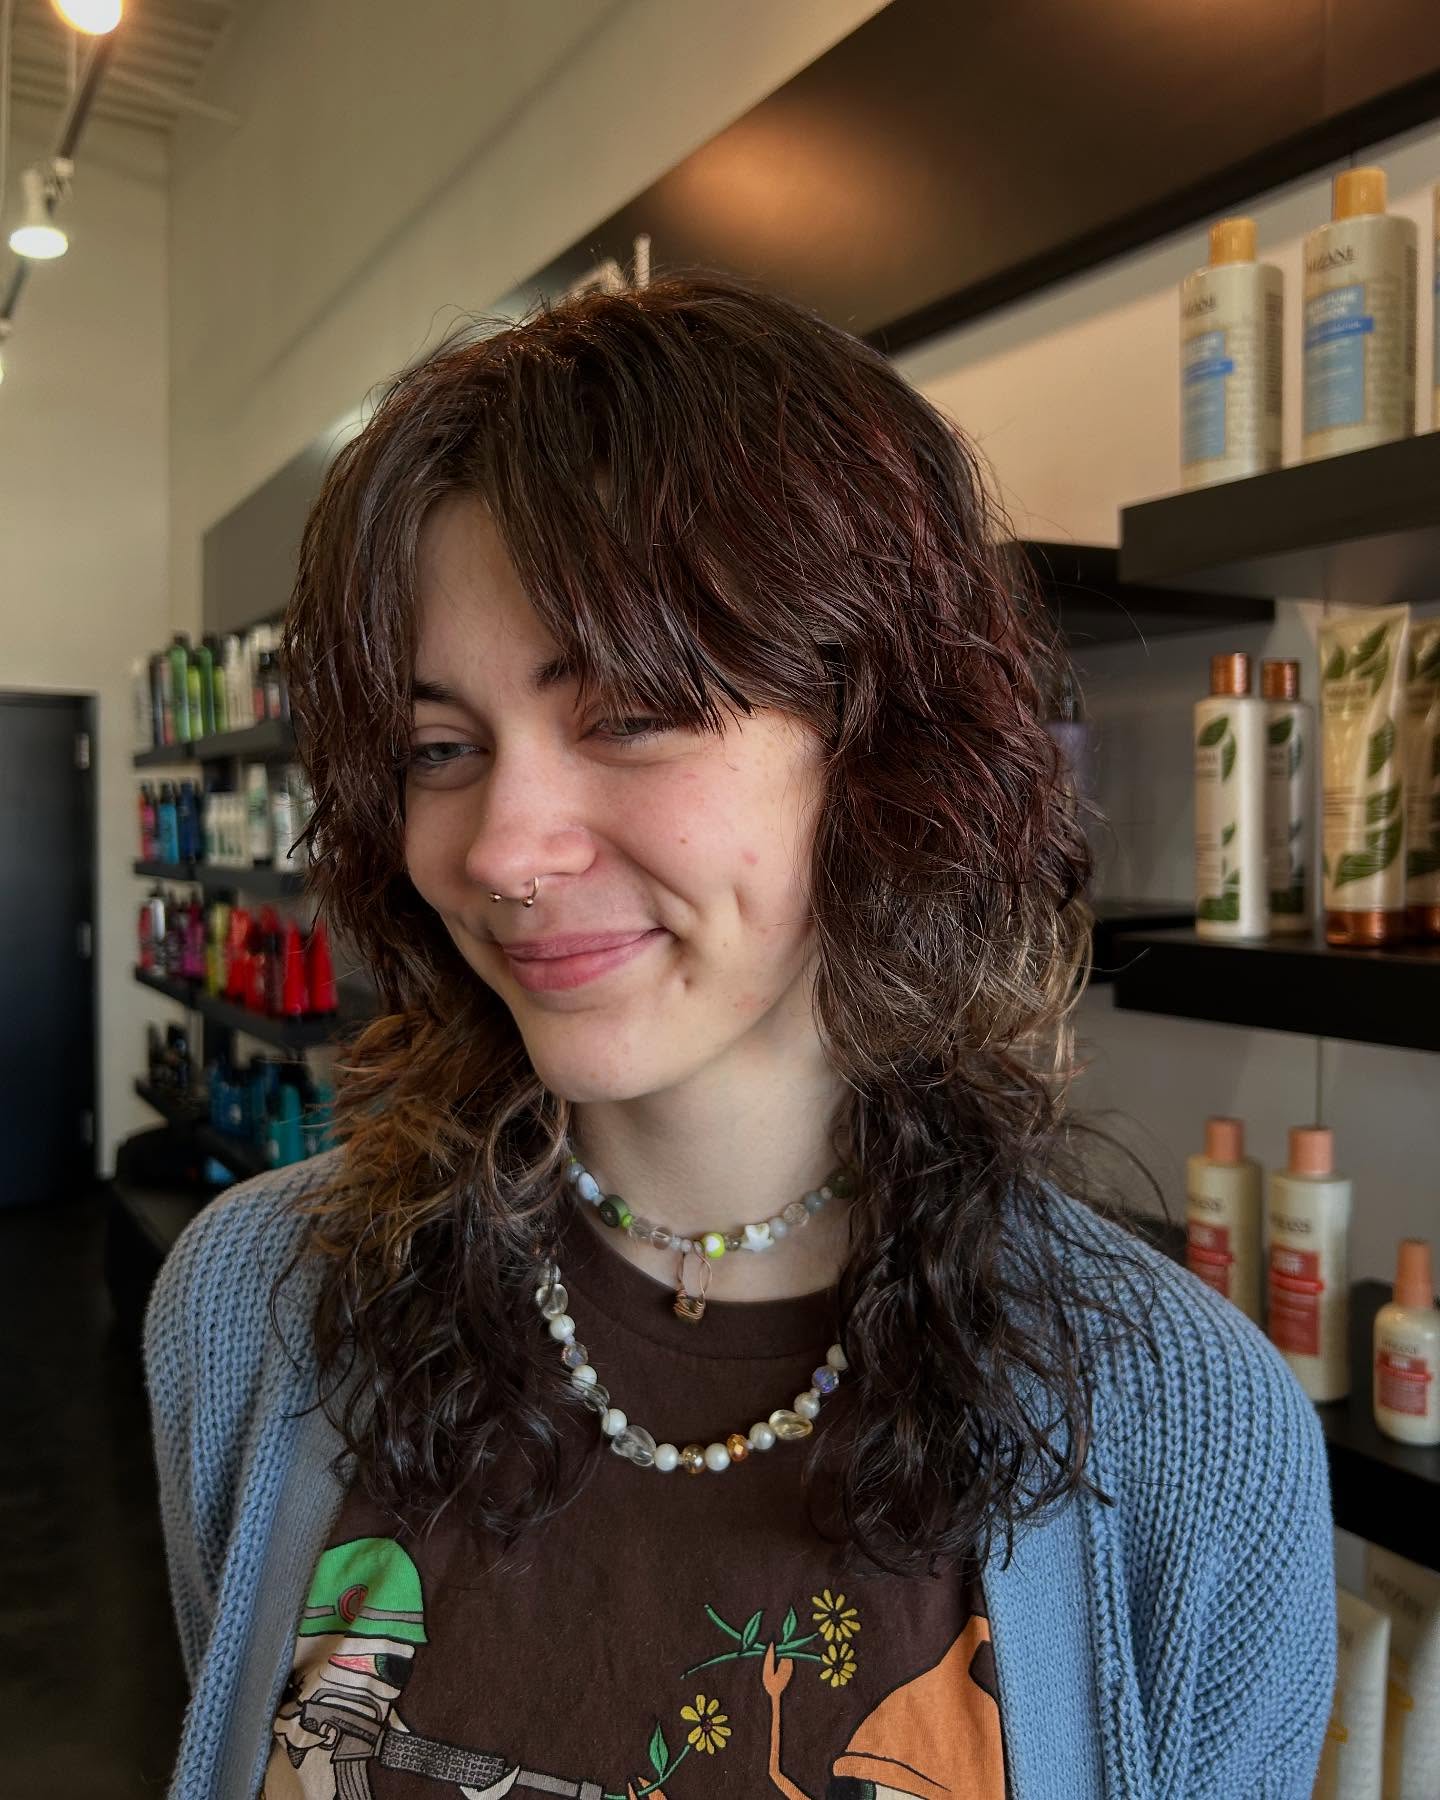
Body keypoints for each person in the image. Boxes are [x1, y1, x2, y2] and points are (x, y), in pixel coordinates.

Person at [144, 268, 1335, 1800]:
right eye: (439, 746)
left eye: (630, 713)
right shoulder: (253, 1309)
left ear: (876, 743)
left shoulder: (1187, 1431)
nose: (503, 848)